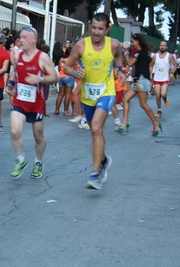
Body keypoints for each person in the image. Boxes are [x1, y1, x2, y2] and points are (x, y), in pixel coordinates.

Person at [64, 13, 126, 190]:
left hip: (106, 92)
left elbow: (118, 56)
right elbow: (68, 66)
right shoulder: (81, 45)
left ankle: (95, 173)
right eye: (93, 28)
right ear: (89, 27)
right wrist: (74, 73)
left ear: (107, 29)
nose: (96, 32)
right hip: (88, 95)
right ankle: (104, 160)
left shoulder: (113, 44)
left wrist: (120, 70)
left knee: (97, 127)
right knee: (94, 131)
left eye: (100, 28)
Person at [5, 26, 58, 179]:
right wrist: (11, 84)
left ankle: (38, 161)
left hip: (37, 104)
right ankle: (21, 159)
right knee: (15, 131)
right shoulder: (18, 55)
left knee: (38, 136)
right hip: (20, 101)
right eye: (20, 37)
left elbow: (55, 77)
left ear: (34, 39)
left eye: (25, 37)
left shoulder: (42, 57)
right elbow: (15, 71)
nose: (21, 40)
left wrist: (40, 79)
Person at [120, 33, 162, 137]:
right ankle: (124, 123)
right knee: (125, 99)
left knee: (143, 104)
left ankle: (156, 123)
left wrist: (126, 55)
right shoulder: (144, 53)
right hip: (139, 80)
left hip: (142, 80)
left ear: (137, 41)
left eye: (133, 41)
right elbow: (149, 63)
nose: (132, 43)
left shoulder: (139, 53)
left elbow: (129, 64)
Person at [149, 41, 177, 117]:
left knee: (163, 94)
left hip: (165, 78)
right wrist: (151, 74)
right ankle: (159, 111)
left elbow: (175, 65)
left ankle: (165, 99)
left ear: (167, 47)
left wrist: (172, 73)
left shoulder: (170, 56)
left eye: (164, 45)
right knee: (158, 96)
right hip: (156, 78)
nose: (162, 47)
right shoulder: (155, 56)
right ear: (159, 46)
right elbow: (151, 65)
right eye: (161, 45)